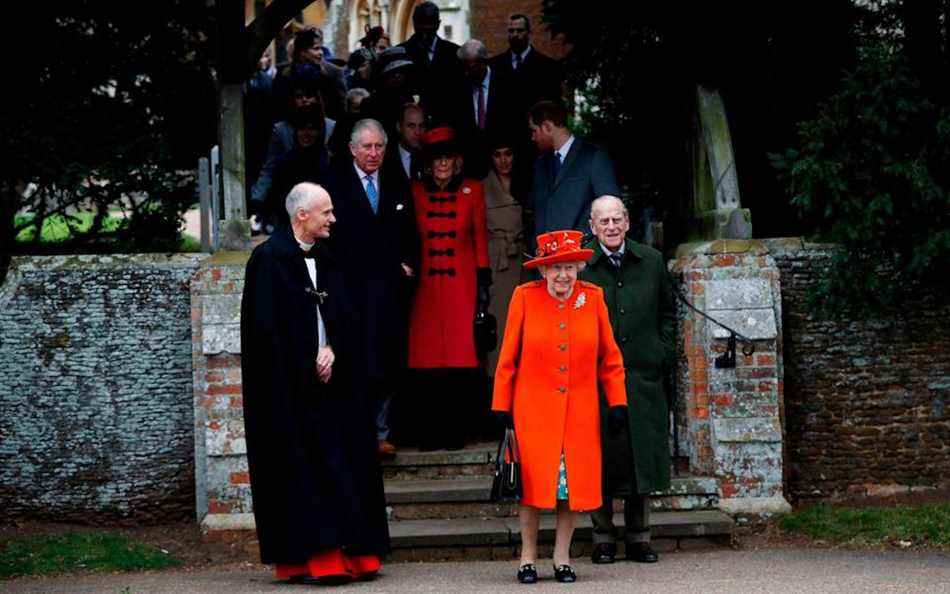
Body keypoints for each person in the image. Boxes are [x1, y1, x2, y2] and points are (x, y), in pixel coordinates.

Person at [240, 182, 389, 584]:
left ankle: (357, 553)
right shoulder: (267, 262)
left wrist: (334, 349)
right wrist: (308, 358)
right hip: (291, 391)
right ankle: (310, 558)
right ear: (301, 215)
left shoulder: (332, 257)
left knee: (347, 464)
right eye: (326, 212)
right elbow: (265, 333)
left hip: (338, 384)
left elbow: (349, 315)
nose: (333, 218)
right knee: (302, 470)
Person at [491, 229, 627, 584]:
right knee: (533, 489)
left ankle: (562, 557)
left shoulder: (594, 298)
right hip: (532, 412)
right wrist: (501, 405)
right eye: (555, 268)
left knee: (571, 488)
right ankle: (527, 559)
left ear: (579, 268)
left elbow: (610, 358)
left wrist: (617, 402)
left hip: (579, 413)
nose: (562, 275)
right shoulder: (524, 297)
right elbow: (508, 357)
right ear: (542, 271)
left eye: (569, 267)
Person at [579, 195, 675, 565]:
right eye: (603, 222)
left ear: (628, 221)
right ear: (592, 226)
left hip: (642, 373)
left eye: (617, 219)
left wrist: (660, 350)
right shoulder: (584, 264)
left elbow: (667, 311)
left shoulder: (650, 261)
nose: (611, 227)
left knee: (641, 455)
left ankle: (639, 536)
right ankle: (602, 536)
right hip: (598, 377)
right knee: (601, 455)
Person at [328, 119, 417, 457]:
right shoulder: (335, 183)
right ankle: (357, 433)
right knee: (354, 360)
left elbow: (410, 231)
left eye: (379, 146)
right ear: (352, 149)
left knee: (387, 360)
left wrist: (409, 266)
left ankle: (382, 432)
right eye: (367, 146)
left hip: (389, 290)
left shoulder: (396, 181)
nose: (374, 153)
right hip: (350, 290)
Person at [406, 126, 490, 450]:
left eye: (448, 158)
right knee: (425, 359)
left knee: (460, 357)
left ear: (457, 162)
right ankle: (428, 434)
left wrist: (483, 282)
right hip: (424, 287)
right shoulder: (414, 192)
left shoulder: (473, 190)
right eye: (436, 158)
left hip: (462, 286)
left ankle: (457, 432)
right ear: (427, 163)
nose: (442, 164)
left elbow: (479, 237)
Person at [251, 66, 337, 226]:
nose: (305, 100)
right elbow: (270, 167)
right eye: (299, 96)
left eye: (309, 96)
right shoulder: (281, 130)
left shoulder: (332, 127)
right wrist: (258, 200)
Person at [528, 101, 620, 237]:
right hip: (546, 254)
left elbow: (611, 210)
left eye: (534, 130)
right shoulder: (540, 164)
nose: (532, 137)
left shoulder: (593, 156)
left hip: (583, 253)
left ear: (547, 126)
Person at [481, 135, 523, 376]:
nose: (504, 160)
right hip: (498, 261)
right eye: (498, 155)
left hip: (523, 260)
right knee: (499, 321)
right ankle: (496, 378)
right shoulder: (483, 186)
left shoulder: (526, 182)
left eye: (508, 153)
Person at [449, 39, 515, 178]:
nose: (468, 72)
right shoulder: (459, 87)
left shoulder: (507, 83)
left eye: (472, 67)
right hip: (471, 165)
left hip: (503, 164)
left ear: (483, 62)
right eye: (465, 67)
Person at [265, 104, 332, 231]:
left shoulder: (330, 163)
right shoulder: (284, 163)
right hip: (291, 229)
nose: (306, 134)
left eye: (311, 129)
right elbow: (278, 202)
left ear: (320, 131)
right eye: (301, 129)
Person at [398, 1, 463, 123]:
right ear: (414, 24)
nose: (425, 30)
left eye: (429, 24)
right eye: (421, 24)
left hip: (446, 128)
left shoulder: (454, 53)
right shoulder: (401, 53)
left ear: (438, 24)